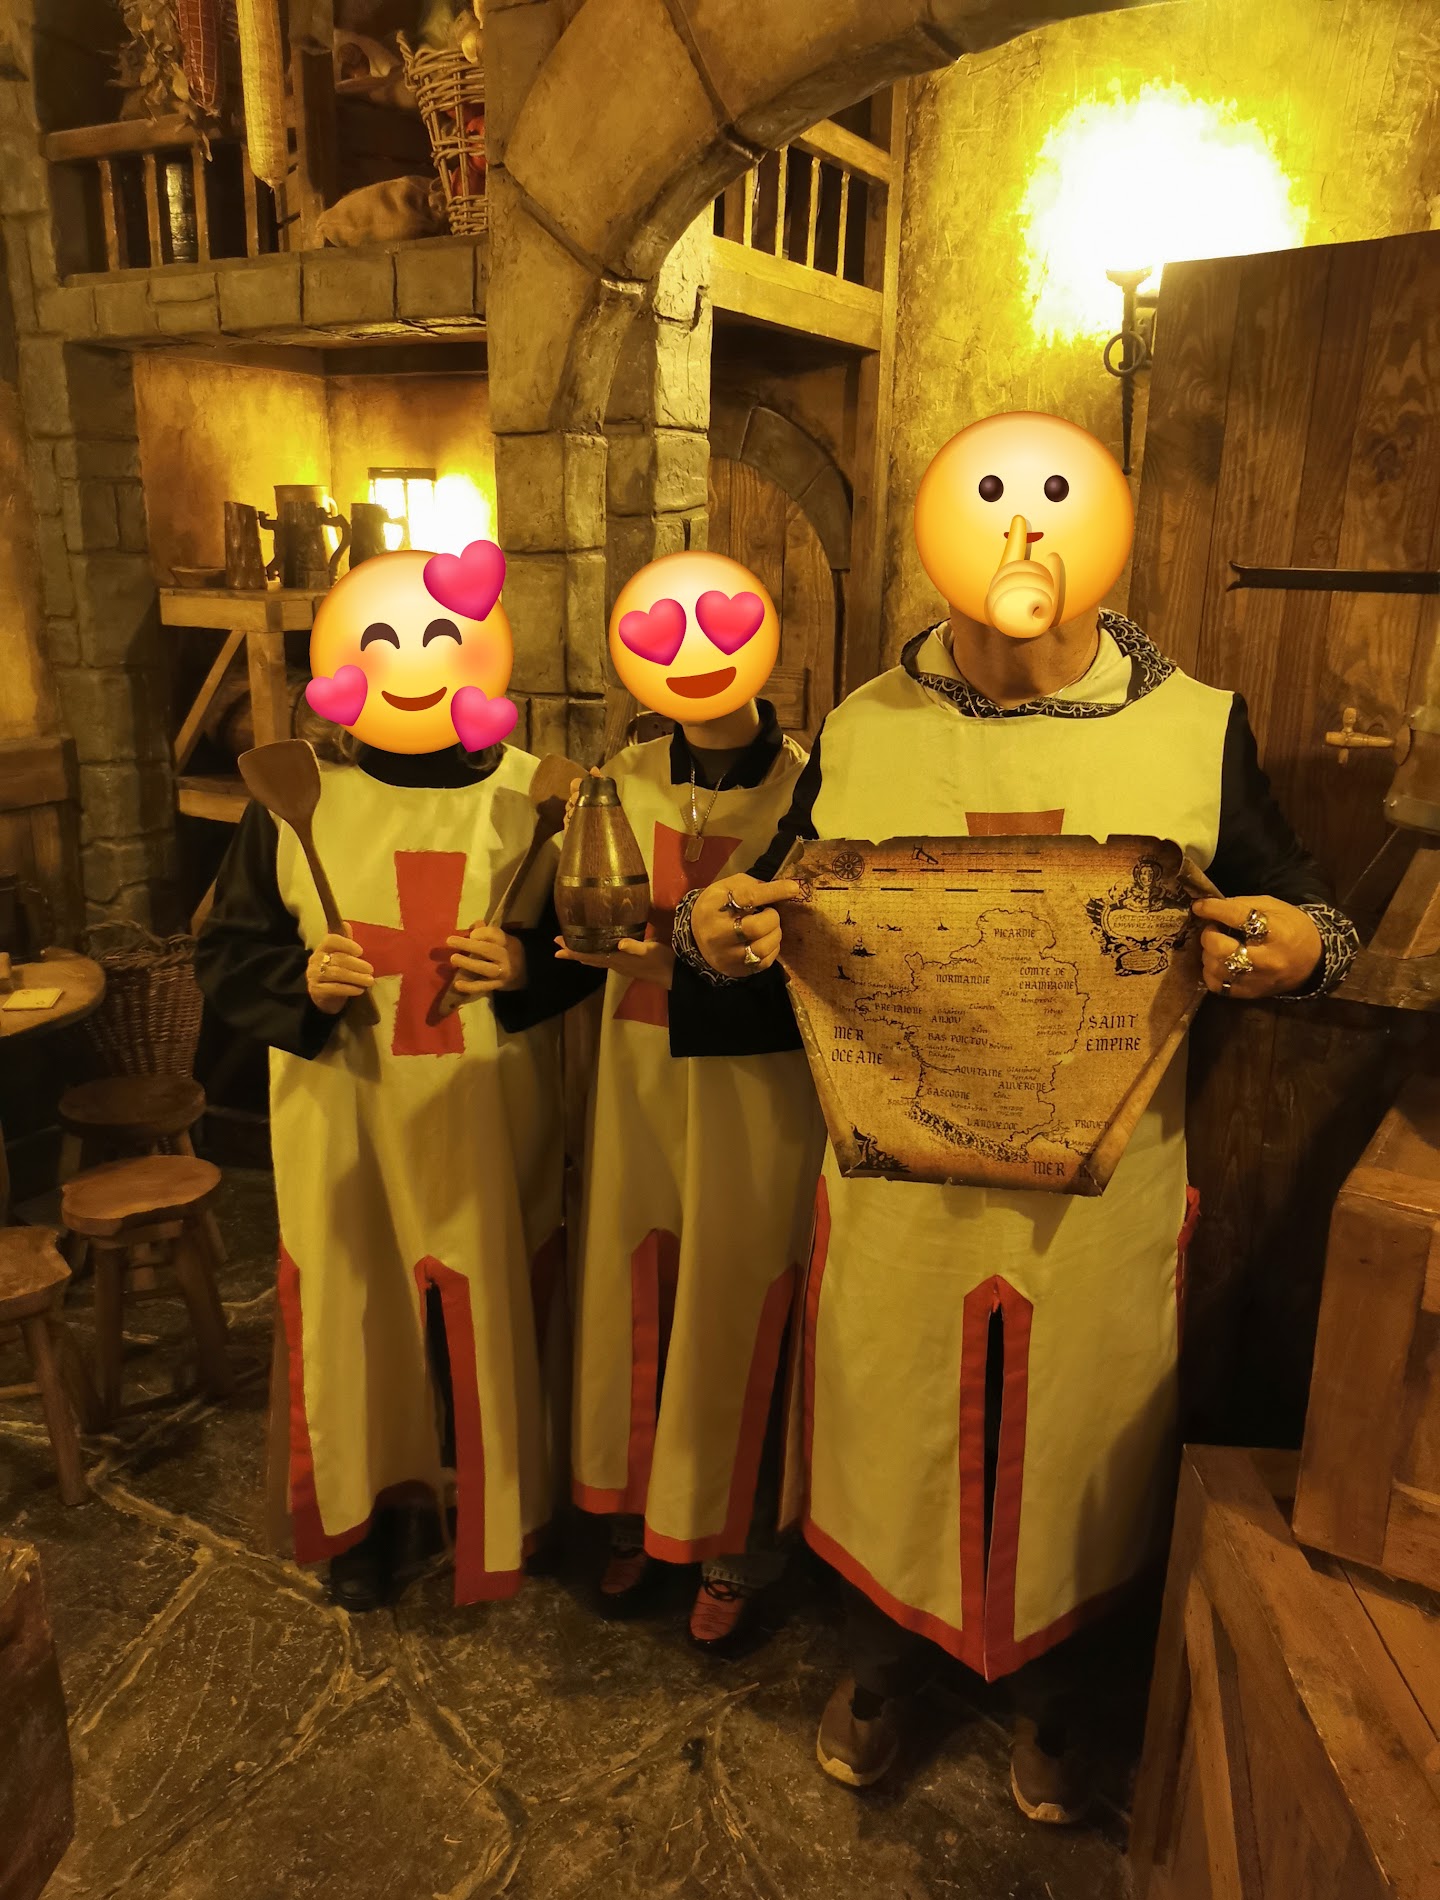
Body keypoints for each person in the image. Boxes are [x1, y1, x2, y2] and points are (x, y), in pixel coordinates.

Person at [673, 413, 1358, 1815]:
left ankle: (1064, 1699)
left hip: (1097, 1194)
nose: (1023, 530)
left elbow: (1306, 907)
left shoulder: (1196, 727)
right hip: (898, 1183)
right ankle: (884, 1665)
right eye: (989, 499)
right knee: (889, 1420)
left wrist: (1299, 946)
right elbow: (781, 905)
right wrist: (716, 933)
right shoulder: (863, 726)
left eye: (1054, 500)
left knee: (1082, 1445)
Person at [195, 547, 575, 1612]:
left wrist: (525, 967)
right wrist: (302, 982)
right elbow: (227, 952)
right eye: (385, 639)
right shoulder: (297, 800)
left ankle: (504, 1504)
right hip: (346, 1110)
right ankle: (366, 1515)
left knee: (488, 1302)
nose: (415, 661)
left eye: (440, 636)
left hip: (483, 1114)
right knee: (357, 1312)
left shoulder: (535, 798)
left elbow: (587, 946)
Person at [555, 552, 825, 1649]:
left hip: (754, 1088)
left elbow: (820, 947)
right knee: (636, 1286)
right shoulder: (617, 779)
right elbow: (570, 912)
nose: (695, 661)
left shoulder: (810, 789)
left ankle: (732, 1542)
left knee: (734, 1296)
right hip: (635, 1079)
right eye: (662, 640)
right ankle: (633, 1511)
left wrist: (679, 961)